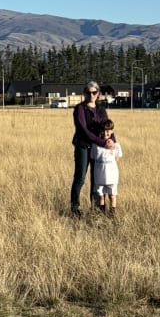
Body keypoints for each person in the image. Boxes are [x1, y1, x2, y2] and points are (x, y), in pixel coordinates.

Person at [70, 81, 114, 216]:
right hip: (83, 146)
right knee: (80, 178)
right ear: (84, 94)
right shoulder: (79, 109)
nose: (91, 95)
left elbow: (108, 127)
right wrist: (102, 142)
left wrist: (112, 142)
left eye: (94, 92)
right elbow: (84, 130)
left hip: (97, 148)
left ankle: (97, 209)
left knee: (97, 179)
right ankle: (75, 208)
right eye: (88, 92)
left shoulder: (101, 109)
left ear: (98, 94)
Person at [91, 119, 123, 216]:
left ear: (112, 131)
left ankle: (112, 214)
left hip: (112, 173)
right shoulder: (96, 145)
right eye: (103, 131)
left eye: (108, 131)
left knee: (112, 195)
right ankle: (101, 214)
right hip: (99, 172)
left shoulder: (116, 145)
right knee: (101, 195)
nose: (105, 133)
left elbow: (117, 158)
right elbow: (93, 156)